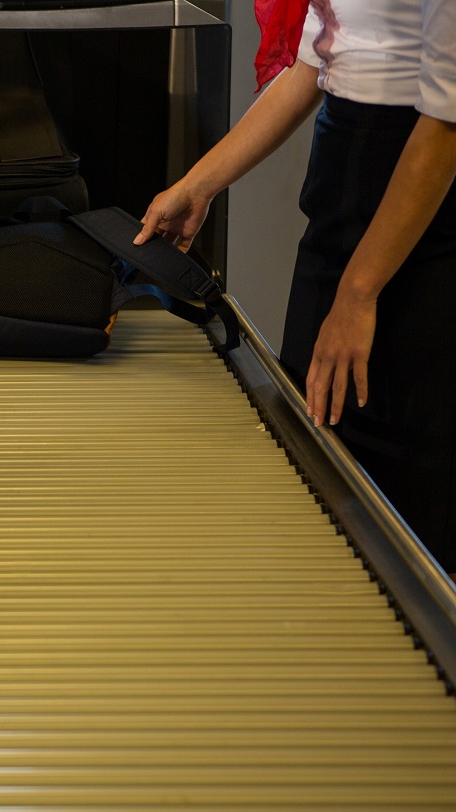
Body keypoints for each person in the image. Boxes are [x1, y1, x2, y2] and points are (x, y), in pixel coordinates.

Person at [135, 0, 456, 571]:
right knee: (313, 465)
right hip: (339, 190)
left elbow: (446, 128)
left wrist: (358, 293)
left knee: (412, 502)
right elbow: (314, 63)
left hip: (419, 214)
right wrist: (199, 185)